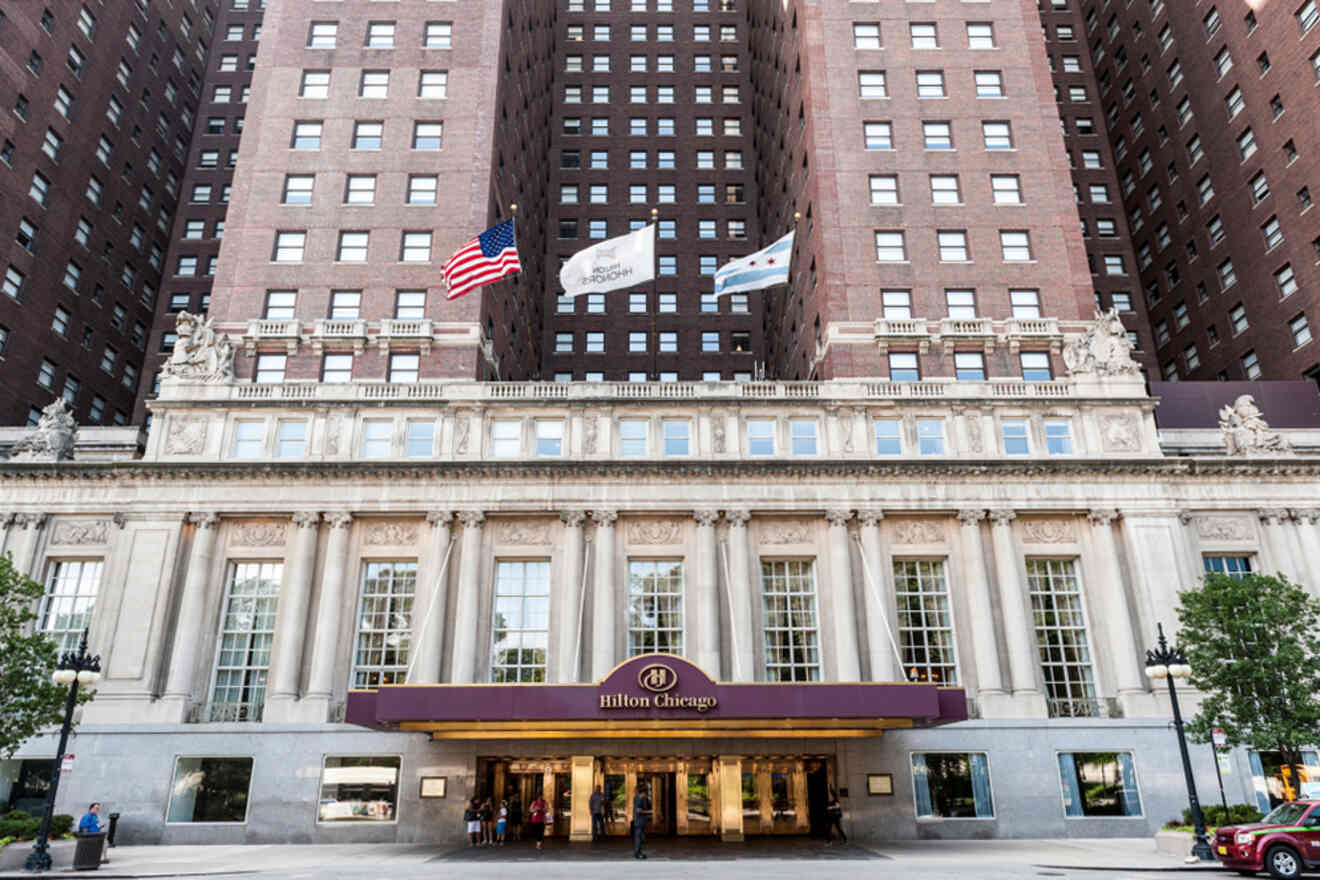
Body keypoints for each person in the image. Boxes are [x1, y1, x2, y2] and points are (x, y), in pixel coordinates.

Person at [632, 783, 652, 860]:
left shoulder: (640, 798)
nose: (646, 794)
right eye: (645, 792)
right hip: (639, 821)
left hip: (641, 821)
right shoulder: (638, 799)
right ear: (643, 792)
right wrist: (649, 812)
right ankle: (637, 853)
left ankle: (639, 852)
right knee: (638, 838)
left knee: (641, 838)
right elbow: (638, 811)